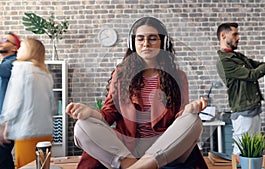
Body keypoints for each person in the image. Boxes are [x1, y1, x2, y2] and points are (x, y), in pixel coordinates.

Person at [66, 16, 208, 169]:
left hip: (163, 145)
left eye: (152, 38)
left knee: (194, 121)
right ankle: (133, 165)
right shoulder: (121, 74)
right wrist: (90, 113)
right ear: (132, 44)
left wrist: (187, 111)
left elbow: (179, 119)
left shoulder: (178, 76)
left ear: (163, 42)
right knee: (82, 126)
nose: (146, 44)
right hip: (127, 147)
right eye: (140, 39)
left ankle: (144, 164)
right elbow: (109, 113)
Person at [216, 22, 265, 155]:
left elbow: (261, 66)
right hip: (243, 112)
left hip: (253, 109)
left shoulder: (238, 56)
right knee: (241, 151)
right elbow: (253, 75)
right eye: (235, 34)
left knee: (253, 152)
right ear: (223, 35)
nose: (238, 37)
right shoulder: (224, 62)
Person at [0, 38, 54, 168]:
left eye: (22, 47)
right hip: (46, 132)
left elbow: (14, 100)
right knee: (42, 166)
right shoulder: (46, 73)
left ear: (30, 51)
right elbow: (51, 105)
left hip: (27, 131)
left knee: (25, 166)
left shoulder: (20, 69)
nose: (18, 50)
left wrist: (4, 123)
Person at [0, 32, 21, 169]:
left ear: (15, 48)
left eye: (5, 40)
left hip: (6, 122)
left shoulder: (12, 63)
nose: (1, 42)